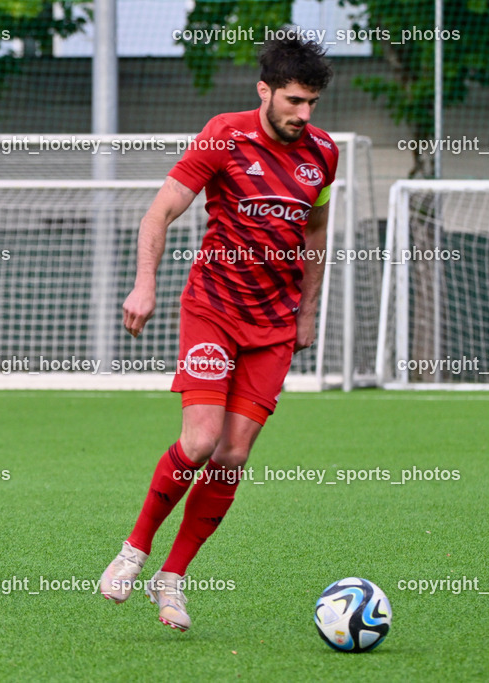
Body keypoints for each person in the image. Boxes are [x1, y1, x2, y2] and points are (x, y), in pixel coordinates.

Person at [99, 36, 338, 631]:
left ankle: (172, 579)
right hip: (212, 308)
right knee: (201, 442)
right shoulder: (223, 135)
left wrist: (308, 315)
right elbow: (160, 211)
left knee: (233, 455)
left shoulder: (324, 154)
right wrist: (144, 284)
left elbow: (315, 236)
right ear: (265, 91)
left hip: (275, 325)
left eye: (311, 103)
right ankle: (134, 549)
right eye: (293, 100)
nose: (303, 114)